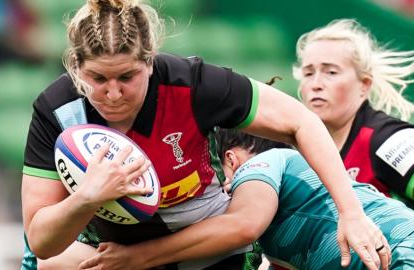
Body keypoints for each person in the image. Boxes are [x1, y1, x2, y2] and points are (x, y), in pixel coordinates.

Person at [21, 1, 389, 269]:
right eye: (98, 79)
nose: (113, 94)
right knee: (52, 264)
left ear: (151, 62)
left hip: (205, 248)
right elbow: (41, 240)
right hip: (113, 252)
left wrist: (351, 213)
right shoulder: (56, 109)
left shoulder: (192, 83)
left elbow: (301, 122)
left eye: (127, 77)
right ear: (76, 67)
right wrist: (87, 197)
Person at [76, 129, 414, 270]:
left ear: (231, 159)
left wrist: (136, 257)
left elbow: (244, 225)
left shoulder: (266, 163)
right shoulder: (286, 217)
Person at [292, 19, 414, 208]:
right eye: (308, 73)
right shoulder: (301, 151)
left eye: (331, 72)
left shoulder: (388, 140)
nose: (316, 84)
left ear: (364, 85)